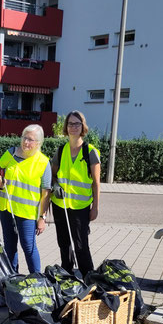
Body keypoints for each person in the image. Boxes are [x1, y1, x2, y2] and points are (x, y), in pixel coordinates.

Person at [0, 124, 51, 273]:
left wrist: (42, 218)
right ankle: (12, 277)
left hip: (27, 212)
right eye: (25, 138)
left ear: (39, 143)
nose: (26, 142)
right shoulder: (11, 153)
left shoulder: (43, 162)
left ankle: (37, 278)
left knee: (28, 246)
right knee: (9, 245)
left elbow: (46, 193)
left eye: (31, 140)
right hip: (6, 208)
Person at [51, 110, 101, 277]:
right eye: (70, 123)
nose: (73, 127)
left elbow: (96, 183)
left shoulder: (90, 151)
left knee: (80, 246)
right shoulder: (60, 150)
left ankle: (90, 279)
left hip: (81, 207)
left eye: (77, 123)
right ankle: (67, 275)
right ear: (66, 127)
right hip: (60, 205)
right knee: (64, 244)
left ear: (83, 126)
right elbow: (52, 175)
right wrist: (55, 184)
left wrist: (95, 208)